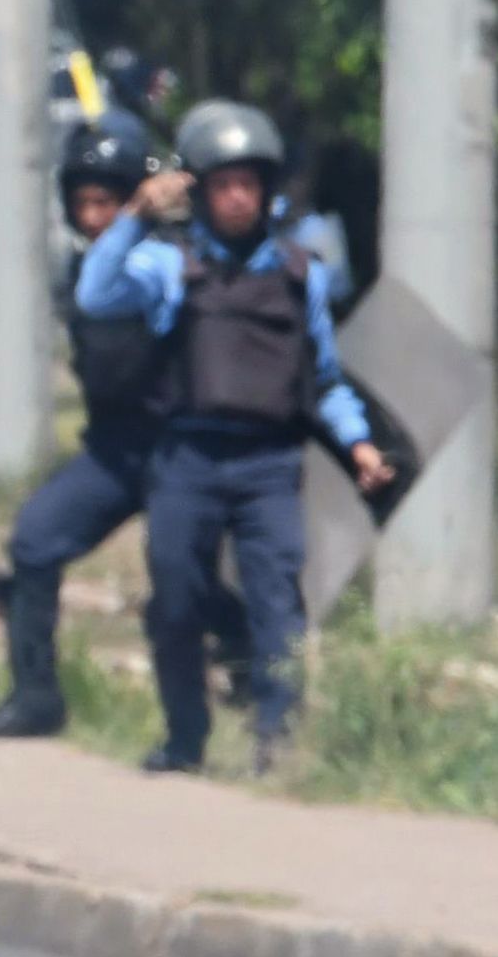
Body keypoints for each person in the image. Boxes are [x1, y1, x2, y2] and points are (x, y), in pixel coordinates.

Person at [74, 101, 392, 775]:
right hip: (187, 459)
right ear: (200, 189)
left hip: (268, 462)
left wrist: (359, 443)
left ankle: (277, 736)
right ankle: (185, 735)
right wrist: (134, 215)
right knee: (179, 597)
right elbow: (96, 295)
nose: (240, 197)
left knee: (278, 600)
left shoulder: (299, 274)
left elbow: (325, 378)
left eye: (251, 182)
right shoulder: (170, 265)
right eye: (224, 183)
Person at [0, 110, 248, 737]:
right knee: (36, 538)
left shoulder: (164, 262)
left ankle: (248, 659)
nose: (95, 217)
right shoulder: (86, 266)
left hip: (177, 451)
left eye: (109, 202)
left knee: (184, 575)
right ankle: (35, 695)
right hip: (116, 452)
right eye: (84, 202)